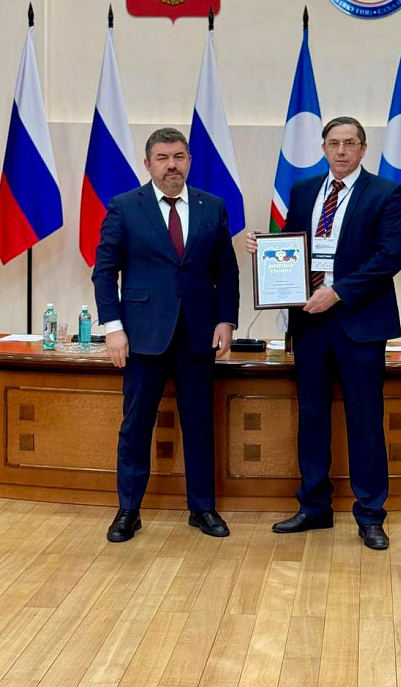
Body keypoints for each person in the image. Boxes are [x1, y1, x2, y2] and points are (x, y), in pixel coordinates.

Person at [247, 116, 401, 549]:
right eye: (334, 143)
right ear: (323, 148)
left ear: (363, 149)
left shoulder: (386, 193)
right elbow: (293, 245)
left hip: (359, 322)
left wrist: (336, 293)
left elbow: (389, 256)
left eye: (350, 143)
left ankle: (370, 515)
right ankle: (314, 507)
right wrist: (266, 247)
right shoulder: (303, 191)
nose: (341, 151)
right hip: (310, 322)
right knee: (313, 415)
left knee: (365, 420)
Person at [93, 127, 239, 542]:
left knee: (199, 423)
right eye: (162, 158)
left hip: (198, 334)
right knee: (136, 425)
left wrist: (226, 320)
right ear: (148, 164)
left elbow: (226, 270)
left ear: (189, 161)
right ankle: (128, 510)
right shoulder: (125, 206)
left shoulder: (212, 206)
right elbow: (105, 271)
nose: (171, 165)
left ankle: (202, 508)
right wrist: (114, 328)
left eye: (178, 157)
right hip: (142, 336)